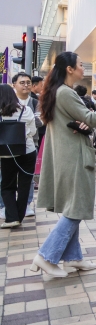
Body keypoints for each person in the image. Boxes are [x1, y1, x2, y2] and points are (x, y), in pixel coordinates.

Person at [34, 52, 96, 278]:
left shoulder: (58, 91)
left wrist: (84, 123)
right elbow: (92, 119)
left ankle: (73, 258)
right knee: (76, 209)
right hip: (74, 158)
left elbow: (81, 121)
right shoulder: (65, 93)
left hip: (68, 156)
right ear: (70, 69)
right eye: (81, 64)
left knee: (74, 207)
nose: (84, 68)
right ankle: (46, 256)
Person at [0, 84, 37, 228]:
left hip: (6, 153)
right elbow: (33, 131)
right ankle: (19, 217)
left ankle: (12, 218)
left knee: (7, 185)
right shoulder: (26, 110)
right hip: (27, 151)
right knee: (24, 185)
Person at [12, 73, 42, 216]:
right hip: (9, 144)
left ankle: (27, 204)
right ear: (14, 85)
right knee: (6, 176)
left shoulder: (35, 102)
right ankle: (5, 205)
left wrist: (18, 123)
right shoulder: (8, 100)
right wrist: (27, 122)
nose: (26, 85)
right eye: (22, 82)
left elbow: (40, 121)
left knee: (28, 176)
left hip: (30, 144)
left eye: (28, 82)